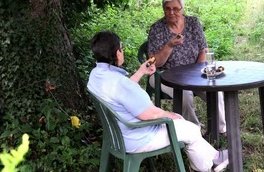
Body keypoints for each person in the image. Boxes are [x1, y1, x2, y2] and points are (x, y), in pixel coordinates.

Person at [87, 31, 229, 172]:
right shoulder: (121, 84)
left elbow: (119, 92)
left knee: (182, 124)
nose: (122, 52)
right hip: (138, 138)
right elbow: (149, 115)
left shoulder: (97, 75)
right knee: (190, 129)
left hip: (116, 135)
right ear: (118, 53)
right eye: (121, 49)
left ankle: (212, 158)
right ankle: (210, 164)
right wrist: (170, 115)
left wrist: (140, 72)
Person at [147, 0, 226, 134]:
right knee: (185, 94)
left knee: (215, 90)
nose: (171, 12)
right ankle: (194, 131)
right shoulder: (157, 28)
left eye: (176, 8)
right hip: (164, 75)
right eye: (168, 8)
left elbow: (203, 49)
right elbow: (154, 62)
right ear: (163, 9)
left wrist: (197, 71)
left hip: (194, 72)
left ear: (182, 8)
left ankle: (220, 130)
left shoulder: (193, 23)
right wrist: (169, 46)